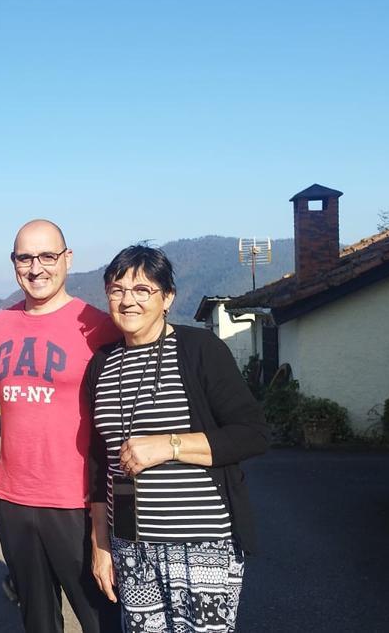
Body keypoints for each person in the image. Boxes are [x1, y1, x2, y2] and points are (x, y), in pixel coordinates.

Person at [86, 245, 269, 633]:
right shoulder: (102, 363)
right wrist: (101, 545)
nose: (127, 300)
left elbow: (252, 434)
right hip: (131, 546)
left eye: (142, 290)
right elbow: (99, 461)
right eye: (117, 290)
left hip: (201, 543)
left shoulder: (198, 349)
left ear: (167, 297)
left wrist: (169, 444)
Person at [0, 219, 121, 633]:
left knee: (101, 617)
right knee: (37, 620)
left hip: (78, 503)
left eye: (47, 256)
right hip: (12, 499)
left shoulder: (100, 327)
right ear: (13, 263)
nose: (36, 268)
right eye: (25, 258)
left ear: (67, 260)